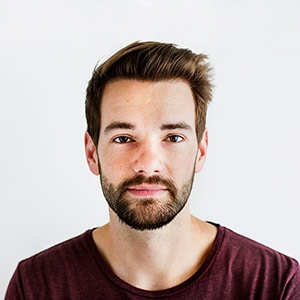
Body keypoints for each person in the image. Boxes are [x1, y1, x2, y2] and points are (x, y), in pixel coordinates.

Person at [5, 41, 300, 299]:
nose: (148, 163)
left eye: (173, 138)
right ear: (92, 152)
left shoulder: (275, 284)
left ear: (201, 150)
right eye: (123, 138)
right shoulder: (36, 285)